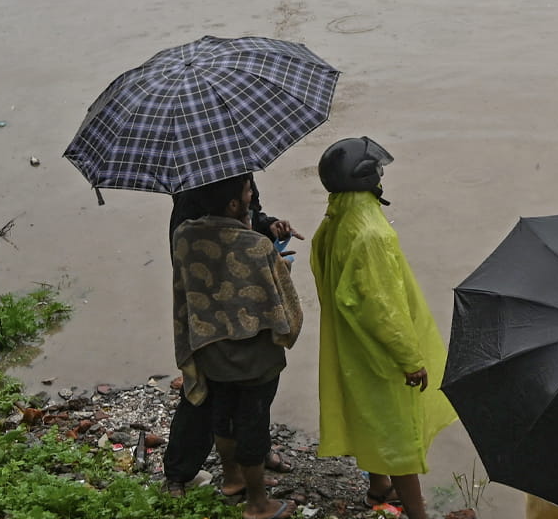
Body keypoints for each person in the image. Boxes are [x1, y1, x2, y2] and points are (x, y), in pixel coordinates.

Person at [310, 138, 456, 519]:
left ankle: (378, 489)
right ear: (366, 178)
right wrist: (409, 358)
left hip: (353, 344)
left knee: (368, 416)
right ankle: (418, 513)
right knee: (398, 431)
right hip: (379, 350)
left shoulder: (336, 217)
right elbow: (384, 308)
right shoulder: (372, 233)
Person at [165, 173, 303, 519]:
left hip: (209, 346)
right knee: (252, 420)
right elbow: (285, 312)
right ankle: (257, 504)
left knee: (222, 414)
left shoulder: (184, 235)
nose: (253, 194)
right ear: (233, 201)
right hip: (253, 358)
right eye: (248, 192)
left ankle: (231, 478)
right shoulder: (256, 249)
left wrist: (264, 223)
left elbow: (193, 280)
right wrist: (278, 267)